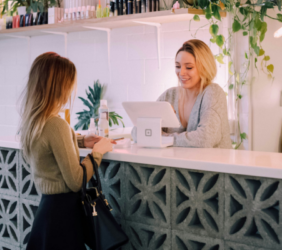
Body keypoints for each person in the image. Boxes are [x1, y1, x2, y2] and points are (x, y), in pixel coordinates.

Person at [19, 52, 115, 250]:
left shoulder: (35, 121)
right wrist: (97, 152)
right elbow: (75, 181)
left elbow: (48, 146)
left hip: (47, 212)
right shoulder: (56, 124)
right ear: (60, 86)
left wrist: (78, 140)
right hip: (63, 217)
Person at [133, 39, 232, 148]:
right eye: (178, 66)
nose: (181, 73)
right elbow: (137, 132)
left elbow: (205, 139)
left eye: (189, 67)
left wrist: (163, 139)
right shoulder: (169, 95)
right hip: (175, 163)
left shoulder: (213, 93)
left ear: (204, 67)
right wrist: (158, 120)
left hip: (210, 164)